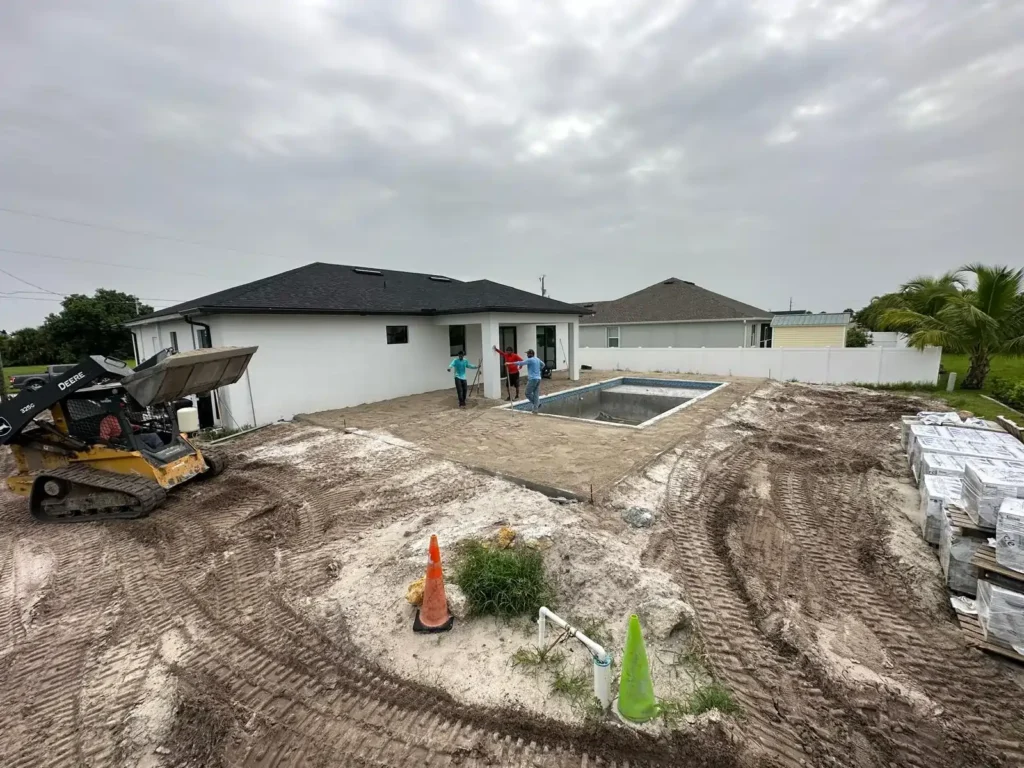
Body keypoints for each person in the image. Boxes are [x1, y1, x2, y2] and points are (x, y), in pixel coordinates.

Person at [99, 412, 165, 450]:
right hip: (120, 440)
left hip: (130, 436)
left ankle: (162, 450)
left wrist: (137, 427)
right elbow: (103, 436)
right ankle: (151, 455)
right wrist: (111, 438)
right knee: (138, 442)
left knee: (153, 436)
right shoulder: (106, 421)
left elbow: (128, 425)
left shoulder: (122, 417)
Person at [514, 349, 545, 413]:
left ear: (530, 354)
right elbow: (543, 365)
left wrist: (510, 363)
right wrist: (538, 370)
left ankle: (537, 404)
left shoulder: (530, 360)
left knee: (527, 393)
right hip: (538, 378)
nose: (527, 355)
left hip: (533, 379)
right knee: (536, 394)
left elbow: (521, 363)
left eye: (528, 354)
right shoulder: (537, 359)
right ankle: (535, 409)